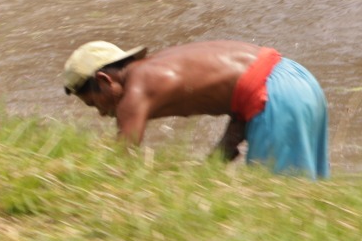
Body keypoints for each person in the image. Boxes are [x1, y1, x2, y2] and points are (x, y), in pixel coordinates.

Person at [62, 39, 330, 179]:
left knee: (279, 198)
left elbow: (118, 163)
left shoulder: (136, 91)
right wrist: (215, 161)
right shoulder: (160, 66)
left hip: (275, 97)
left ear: (104, 81)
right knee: (308, 192)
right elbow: (241, 90)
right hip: (298, 79)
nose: (100, 113)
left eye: (93, 103)